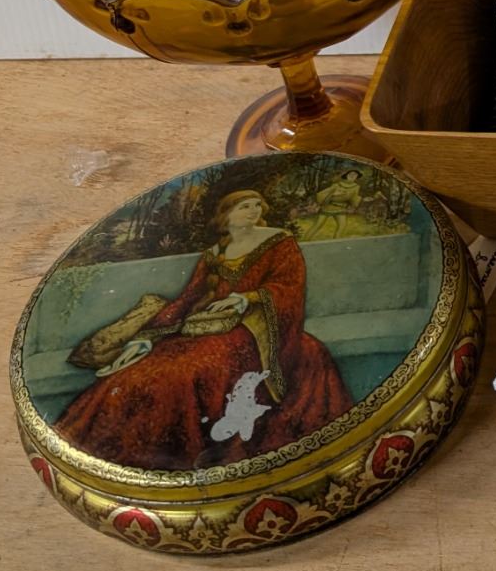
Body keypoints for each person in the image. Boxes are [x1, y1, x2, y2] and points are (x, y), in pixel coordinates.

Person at [57, 190, 353, 470]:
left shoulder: (279, 242)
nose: (254, 211)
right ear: (226, 215)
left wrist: (246, 298)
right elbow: (188, 299)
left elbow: (289, 286)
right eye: (245, 206)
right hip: (207, 326)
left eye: (257, 205)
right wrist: (145, 337)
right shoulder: (213, 254)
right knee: (142, 372)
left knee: (189, 372)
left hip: (255, 328)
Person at [300, 168, 364, 240]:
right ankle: (305, 241)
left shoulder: (356, 187)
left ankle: (336, 243)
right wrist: (333, 194)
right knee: (318, 225)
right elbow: (322, 195)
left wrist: (354, 203)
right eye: (350, 174)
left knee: (342, 226)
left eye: (355, 175)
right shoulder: (336, 185)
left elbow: (354, 198)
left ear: (357, 177)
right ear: (346, 175)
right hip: (328, 207)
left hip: (341, 209)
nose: (352, 176)